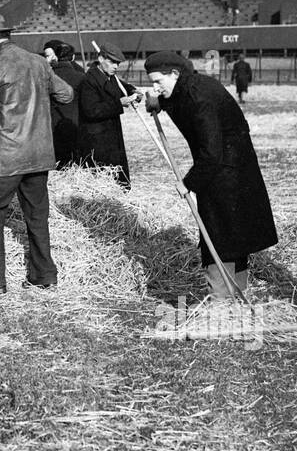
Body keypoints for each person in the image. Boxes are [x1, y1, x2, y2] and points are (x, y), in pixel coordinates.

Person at [145, 50, 277, 302]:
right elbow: (180, 100)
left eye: (158, 81)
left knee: (218, 236)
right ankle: (238, 294)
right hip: (232, 169)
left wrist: (188, 183)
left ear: (174, 73)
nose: (154, 87)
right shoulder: (193, 85)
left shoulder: (199, 96)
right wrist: (160, 103)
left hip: (224, 173)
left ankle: (220, 300)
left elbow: (211, 152)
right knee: (234, 234)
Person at [0, 15, 74, 295]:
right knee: (37, 215)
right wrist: (39, 95)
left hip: (7, 156)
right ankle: (45, 275)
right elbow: (67, 95)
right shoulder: (38, 62)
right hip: (39, 155)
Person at [77, 45, 134, 186]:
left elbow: (121, 88)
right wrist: (119, 104)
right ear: (101, 58)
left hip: (111, 134)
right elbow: (91, 110)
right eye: (112, 62)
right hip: (97, 139)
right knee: (103, 179)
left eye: (118, 63)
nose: (116, 67)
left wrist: (133, 91)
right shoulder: (89, 80)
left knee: (117, 178)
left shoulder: (109, 76)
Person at [43, 40, 85, 168]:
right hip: (75, 126)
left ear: (56, 56)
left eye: (47, 56)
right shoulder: (81, 75)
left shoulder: (46, 76)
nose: (46, 59)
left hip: (51, 128)